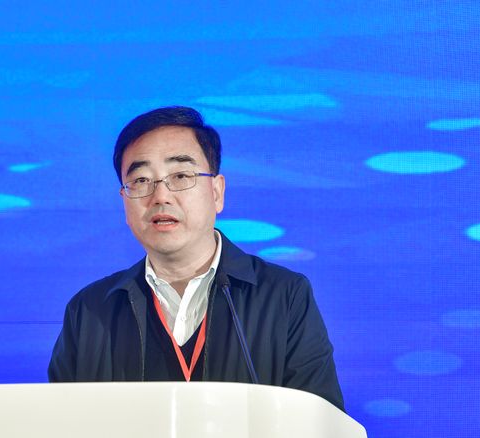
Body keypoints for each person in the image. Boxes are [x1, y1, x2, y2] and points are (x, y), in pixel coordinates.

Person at [48, 106, 344, 410]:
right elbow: (59, 429)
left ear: (216, 192)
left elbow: (321, 425)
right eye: (141, 180)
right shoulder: (90, 311)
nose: (160, 196)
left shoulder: (284, 296)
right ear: (124, 200)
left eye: (180, 176)